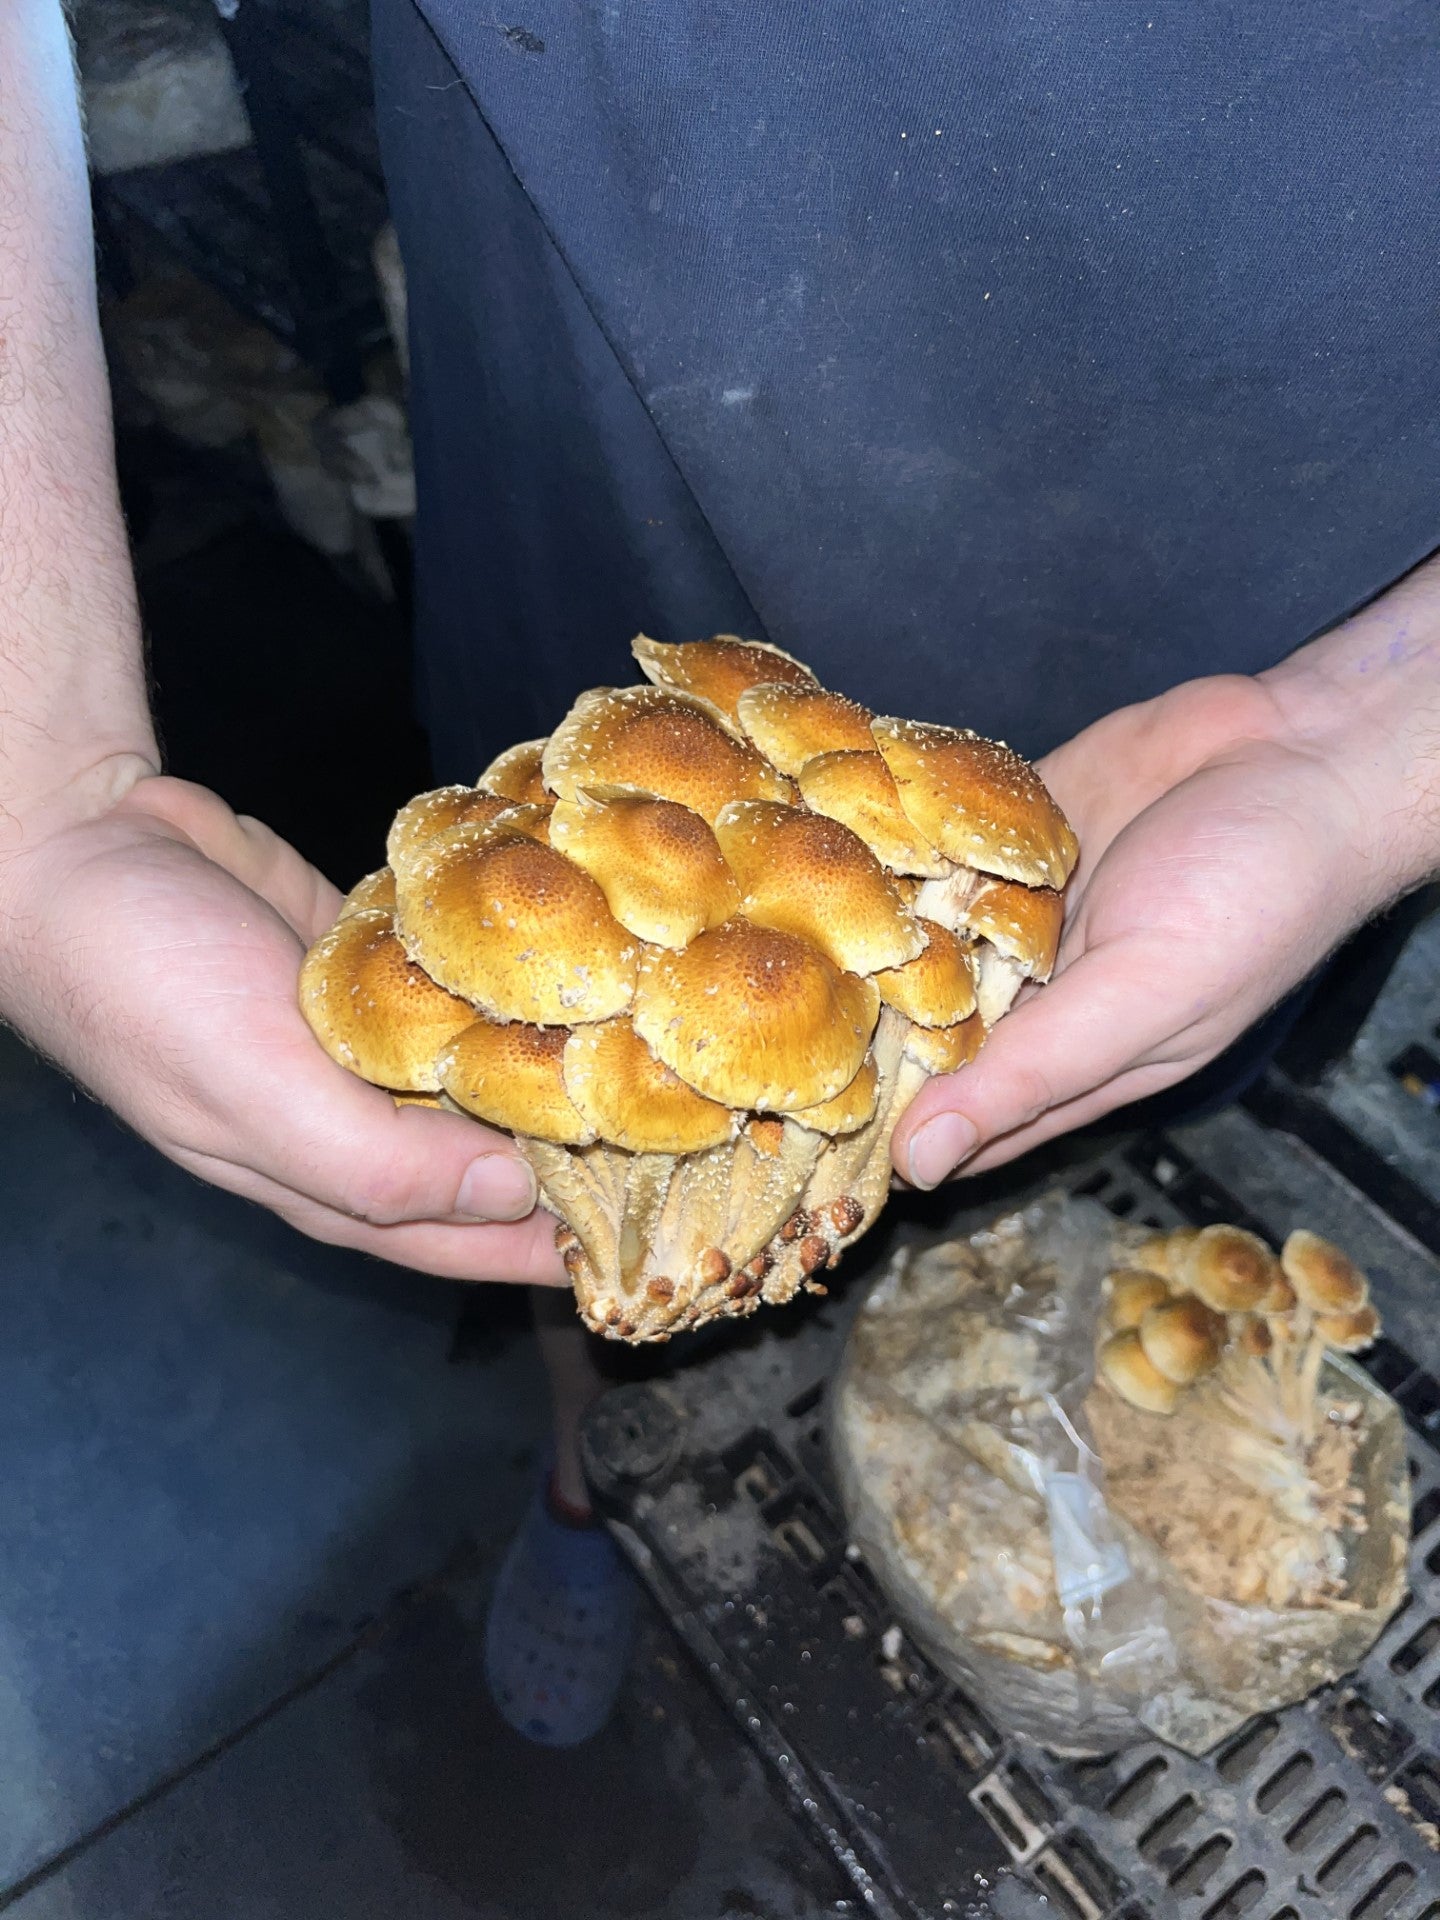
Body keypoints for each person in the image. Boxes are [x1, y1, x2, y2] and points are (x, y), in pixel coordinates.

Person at [3, 1, 1437, 1746]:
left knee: (1058, 1046)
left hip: (1278, 488)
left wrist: (1376, 736)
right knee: (557, 1138)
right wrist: (33, 769)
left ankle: (959, 1346)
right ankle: (588, 1461)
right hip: (605, 336)